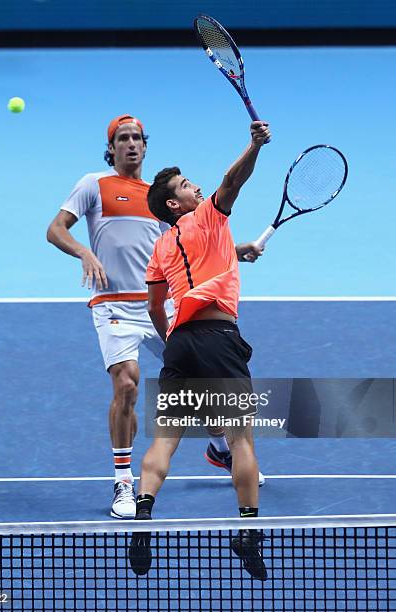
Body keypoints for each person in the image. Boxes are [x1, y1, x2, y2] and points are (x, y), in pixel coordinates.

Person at [46, 114, 245, 519]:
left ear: (145, 145)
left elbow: (185, 245)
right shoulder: (93, 185)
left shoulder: (159, 198)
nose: (132, 144)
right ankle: (123, 482)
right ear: (113, 146)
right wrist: (84, 252)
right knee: (127, 384)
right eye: (123, 138)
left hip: (161, 303)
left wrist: (237, 251)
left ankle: (219, 449)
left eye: (137, 137)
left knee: (198, 385)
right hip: (113, 305)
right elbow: (55, 229)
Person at [128, 120, 271, 580]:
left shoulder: (161, 246)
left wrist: (174, 342)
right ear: (175, 203)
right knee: (240, 440)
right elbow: (233, 182)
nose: (197, 187)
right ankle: (248, 531)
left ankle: (144, 511)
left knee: (163, 440)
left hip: (180, 346)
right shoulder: (208, 215)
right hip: (220, 343)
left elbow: (156, 306)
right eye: (187, 185)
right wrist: (253, 145)